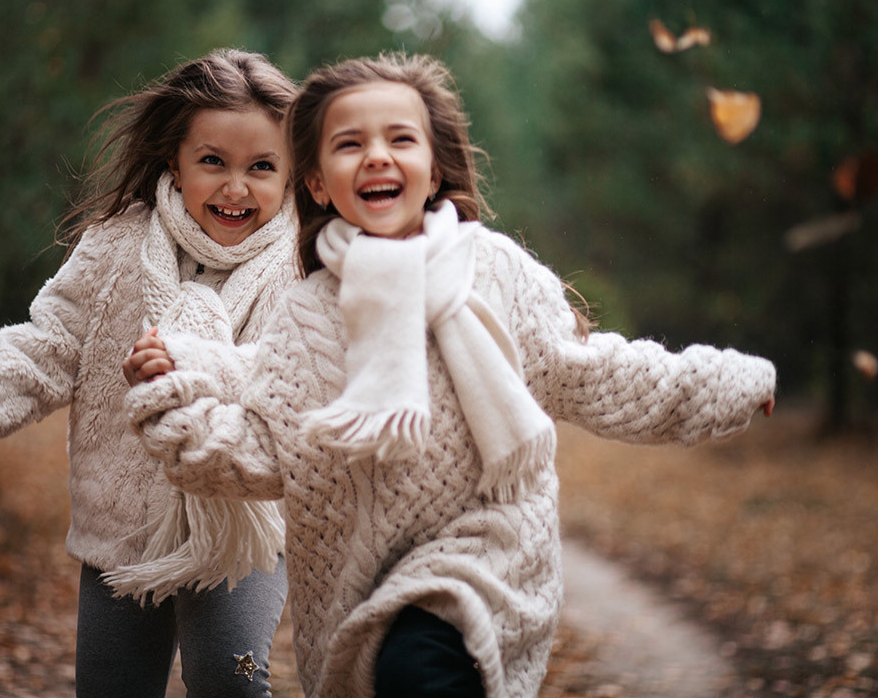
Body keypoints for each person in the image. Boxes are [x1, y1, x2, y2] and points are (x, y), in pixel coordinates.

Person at [124, 52, 777, 698]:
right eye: (350, 145)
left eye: (399, 139)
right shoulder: (309, 315)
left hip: (486, 557)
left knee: (420, 664)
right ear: (319, 183)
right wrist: (170, 398)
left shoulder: (495, 273)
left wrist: (725, 382)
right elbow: (266, 446)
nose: (377, 156)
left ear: (433, 169)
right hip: (359, 578)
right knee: (397, 665)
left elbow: (597, 373)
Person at [0, 49, 300, 698]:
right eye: (213, 161)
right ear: (175, 161)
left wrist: (196, 366)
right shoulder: (116, 247)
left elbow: (305, 385)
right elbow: (31, 355)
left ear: (292, 172)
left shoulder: (306, 271)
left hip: (240, 532)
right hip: (120, 532)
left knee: (232, 682)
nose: (235, 187)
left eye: (261, 167)